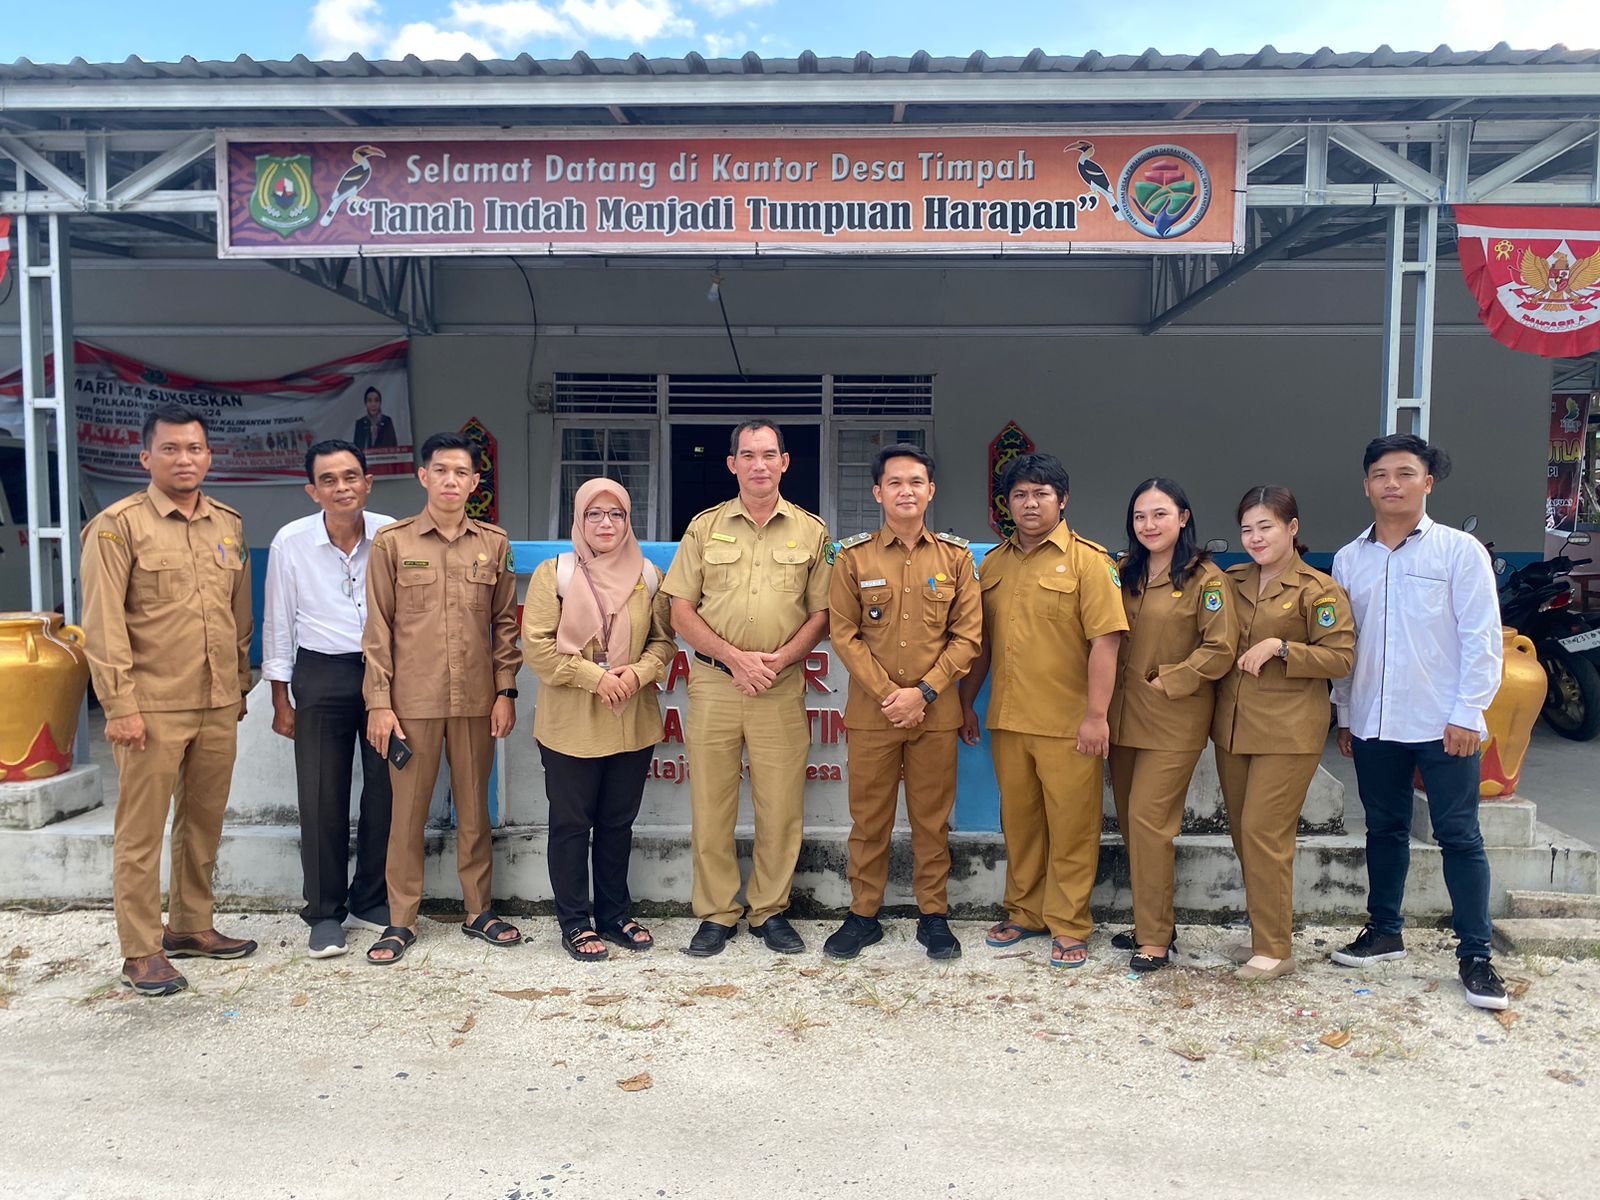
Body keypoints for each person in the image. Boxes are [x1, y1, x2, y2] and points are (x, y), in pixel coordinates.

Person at [80, 404, 256, 996]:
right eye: (172, 449)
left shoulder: (226, 524)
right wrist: (119, 705)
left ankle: (191, 926)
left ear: (209, 456)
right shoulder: (117, 525)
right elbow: (103, 625)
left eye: (196, 449)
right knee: (141, 831)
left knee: (203, 821)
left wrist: (238, 684)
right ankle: (140, 949)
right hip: (150, 704)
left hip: (215, 701)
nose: (186, 459)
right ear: (146, 457)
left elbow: (238, 614)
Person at [1330, 434, 1507, 1010]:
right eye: (1380, 474)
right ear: (1366, 485)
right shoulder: (1349, 558)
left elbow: (1482, 640)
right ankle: (1385, 931)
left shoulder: (1459, 552)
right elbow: (1344, 644)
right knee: (1383, 829)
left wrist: (1468, 712)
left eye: (1406, 474)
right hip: (1375, 722)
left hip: (1443, 724)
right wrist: (1346, 715)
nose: (1392, 484)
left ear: (1427, 483)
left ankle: (1476, 954)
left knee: (1459, 836)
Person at [663, 419, 831, 957]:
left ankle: (769, 912)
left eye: (769, 454)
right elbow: (679, 609)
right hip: (715, 685)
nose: (759, 464)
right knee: (711, 805)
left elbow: (822, 613)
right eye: (747, 455)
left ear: (785, 462)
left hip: (779, 689)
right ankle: (716, 913)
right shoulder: (704, 528)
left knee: (780, 807)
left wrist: (776, 662)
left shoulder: (811, 532)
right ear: (732, 464)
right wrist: (735, 660)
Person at [959, 453, 1127, 969]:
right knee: (1021, 824)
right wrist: (967, 703)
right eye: (1020, 495)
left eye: (1041, 494)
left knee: (1073, 829)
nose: (1030, 504)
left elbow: (1106, 643)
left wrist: (1096, 716)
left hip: (1068, 724)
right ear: (1006, 504)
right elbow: (981, 644)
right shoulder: (994, 565)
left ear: (1063, 500)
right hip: (1009, 721)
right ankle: (1025, 912)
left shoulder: (1089, 562)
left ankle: (1071, 925)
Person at [361, 432, 522, 964]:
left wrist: (505, 692)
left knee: (475, 810)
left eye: (461, 472)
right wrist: (379, 702)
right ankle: (400, 919)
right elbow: (377, 631)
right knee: (406, 814)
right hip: (413, 702)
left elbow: (504, 625)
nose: (451, 480)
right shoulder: (393, 542)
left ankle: (479, 910)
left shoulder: (494, 544)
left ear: (476, 482)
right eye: (441, 470)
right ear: (423, 476)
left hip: (477, 700)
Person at [823, 444, 982, 961]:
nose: (906, 491)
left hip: (935, 716)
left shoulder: (956, 558)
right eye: (895, 482)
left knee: (931, 821)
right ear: (878, 492)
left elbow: (967, 637)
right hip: (874, 716)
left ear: (930, 491)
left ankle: (933, 915)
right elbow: (844, 636)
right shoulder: (853, 557)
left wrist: (925, 692)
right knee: (869, 820)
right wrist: (893, 696)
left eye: (916, 482)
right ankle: (863, 914)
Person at [522, 477, 676, 962]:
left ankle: (613, 914)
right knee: (570, 824)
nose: (605, 523)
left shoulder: (647, 575)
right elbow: (538, 648)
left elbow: (664, 642)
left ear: (628, 521)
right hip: (571, 722)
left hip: (630, 718)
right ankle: (573, 921)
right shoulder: (557, 573)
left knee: (617, 823)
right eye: (595, 513)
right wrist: (595, 677)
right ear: (579, 519)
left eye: (616, 514)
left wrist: (637, 674)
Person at [1212, 486, 1354, 982]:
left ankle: (1276, 949)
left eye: (1265, 526)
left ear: (1292, 528)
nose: (1254, 537)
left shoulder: (1319, 589)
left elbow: (1341, 657)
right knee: (1243, 834)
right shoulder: (1230, 580)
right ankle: (1261, 939)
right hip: (1232, 728)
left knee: (1264, 833)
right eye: (1247, 528)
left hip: (1288, 730)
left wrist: (1282, 646)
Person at [263, 439, 395, 959]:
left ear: (367, 482)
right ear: (312, 490)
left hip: (385, 674)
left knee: (387, 786)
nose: (342, 488)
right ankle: (323, 911)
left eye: (351, 477)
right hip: (320, 673)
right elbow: (278, 622)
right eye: (329, 480)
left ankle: (371, 897)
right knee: (321, 792)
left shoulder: (391, 534)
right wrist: (280, 698)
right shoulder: (290, 542)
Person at [1106, 478, 1237, 973]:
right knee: (1133, 825)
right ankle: (1150, 922)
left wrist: (1173, 680)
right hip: (1121, 720)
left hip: (1172, 720)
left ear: (1183, 517)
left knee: (1148, 822)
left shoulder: (1204, 579)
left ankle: (1156, 939)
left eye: (1160, 514)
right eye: (1140, 516)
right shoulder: (1123, 572)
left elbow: (1221, 648)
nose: (1149, 525)